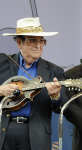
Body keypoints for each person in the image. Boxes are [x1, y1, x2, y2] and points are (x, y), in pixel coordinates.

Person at [0, 17, 68, 150]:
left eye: (41, 40)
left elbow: (62, 107)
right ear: (19, 43)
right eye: (32, 40)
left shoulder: (54, 71)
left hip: (36, 136)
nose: (39, 45)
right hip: (4, 131)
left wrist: (55, 96)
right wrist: (1, 90)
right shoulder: (2, 62)